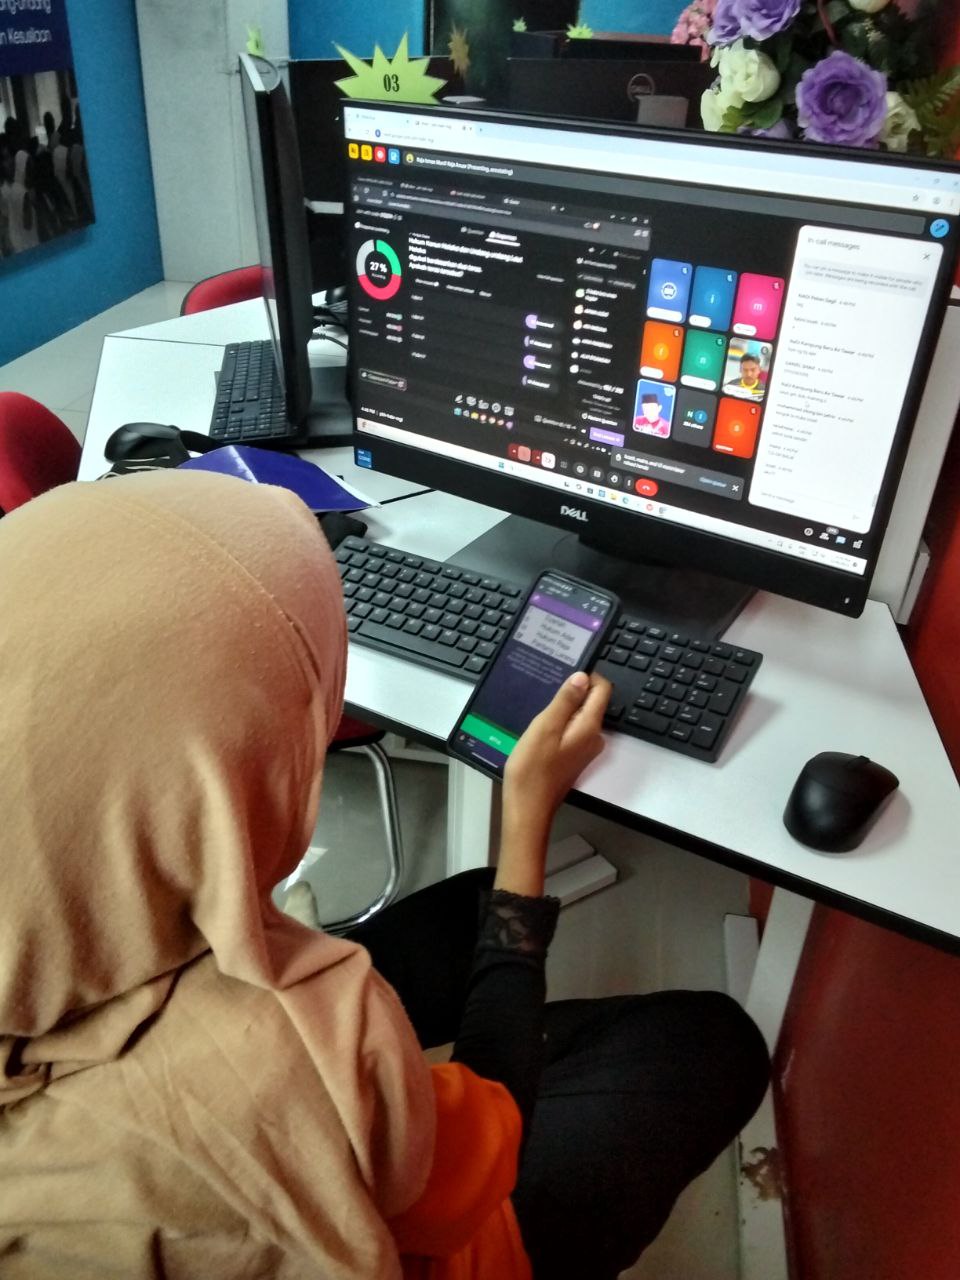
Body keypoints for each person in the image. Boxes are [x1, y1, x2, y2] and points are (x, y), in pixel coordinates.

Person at [0, 471, 768, 1279]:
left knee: (463, 913)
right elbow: (496, 1127)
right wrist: (527, 820)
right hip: (443, 1235)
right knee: (709, 1041)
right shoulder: (287, 1065)